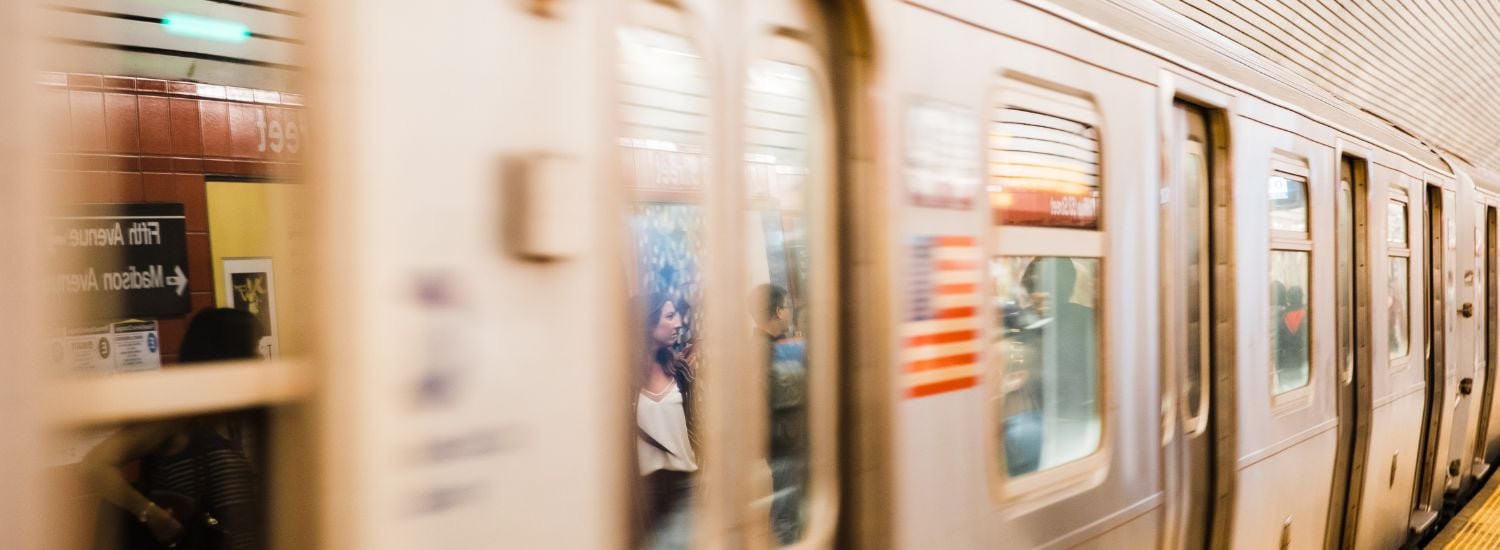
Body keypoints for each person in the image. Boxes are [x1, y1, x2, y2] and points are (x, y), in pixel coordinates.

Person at [84, 308, 265, 550]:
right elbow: (94, 465)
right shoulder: (177, 416)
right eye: (253, 349)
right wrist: (149, 513)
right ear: (230, 353)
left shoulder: (240, 416)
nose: (260, 358)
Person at [633, 294, 698, 550]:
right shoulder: (624, 379)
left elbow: (696, 423)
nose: (679, 322)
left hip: (684, 482)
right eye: (670, 316)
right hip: (644, 490)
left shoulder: (681, 371)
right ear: (647, 324)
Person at [749, 283, 807, 544]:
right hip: (783, 445)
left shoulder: (780, 345)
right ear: (779, 311)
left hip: (790, 443)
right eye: (787, 307)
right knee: (787, 519)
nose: (790, 312)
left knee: (793, 512)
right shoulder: (761, 351)